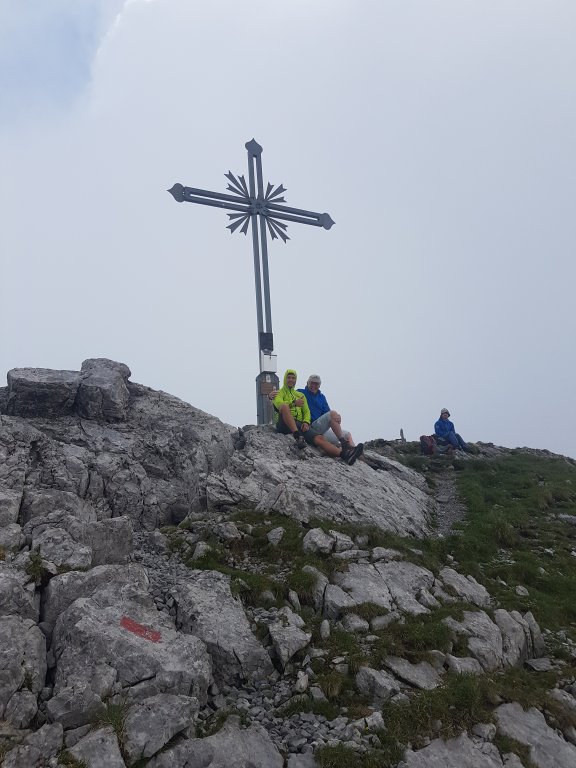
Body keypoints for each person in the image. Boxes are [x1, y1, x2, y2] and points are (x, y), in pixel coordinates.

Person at [271, 370, 363, 465]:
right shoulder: (280, 393)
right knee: (284, 406)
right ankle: (297, 436)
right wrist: (293, 403)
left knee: (320, 438)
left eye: (293, 378)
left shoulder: (300, 395)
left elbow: (306, 411)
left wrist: (306, 422)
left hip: (300, 424)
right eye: (288, 377)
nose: (291, 380)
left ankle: (346, 454)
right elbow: (279, 405)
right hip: (284, 423)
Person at [298, 374, 355, 448]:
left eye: (316, 384)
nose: (314, 385)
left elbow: (327, 413)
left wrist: (336, 417)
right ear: (307, 383)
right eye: (312, 383)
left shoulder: (321, 397)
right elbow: (289, 397)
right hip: (309, 426)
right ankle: (343, 442)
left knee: (347, 434)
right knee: (333, 413)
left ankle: (354, 450)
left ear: (319, 385)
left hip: (321, 429)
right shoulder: (300, 393)